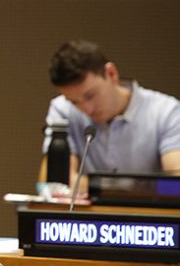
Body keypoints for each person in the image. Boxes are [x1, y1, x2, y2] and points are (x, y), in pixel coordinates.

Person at [44, 40, 180, 184]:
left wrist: (106, 189)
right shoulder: (62, 110)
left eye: (91, 96)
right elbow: (56, 183)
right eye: (74, 102)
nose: (87, 109)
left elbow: (176, 183)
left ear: (111, 74)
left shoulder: (167, 112)